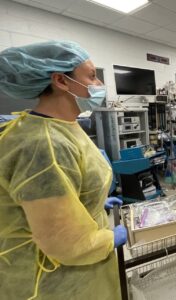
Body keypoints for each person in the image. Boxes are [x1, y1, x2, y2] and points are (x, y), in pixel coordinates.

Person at [0, 41, 127, 299]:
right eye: (92, 76)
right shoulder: (43, 144)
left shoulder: (65, 126)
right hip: (54, 279)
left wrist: (93, 202)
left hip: (84, 268)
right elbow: (64, 241)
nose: (99, 85)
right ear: (61, 80)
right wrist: (107, 240)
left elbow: (62, 192)